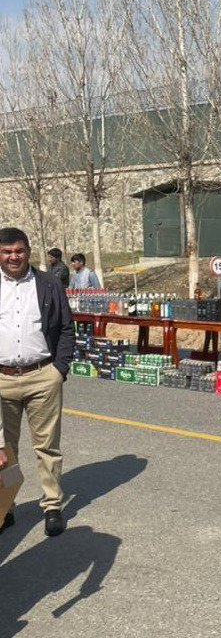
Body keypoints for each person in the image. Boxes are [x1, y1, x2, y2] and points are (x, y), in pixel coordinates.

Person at [0, 227, 75, 537]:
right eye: (6, 252)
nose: (13, 256)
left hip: (43, 375)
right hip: (2, 379)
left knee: (47, 445)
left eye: (18, 250)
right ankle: (6, 506)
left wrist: (58, 370)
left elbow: (67, 328)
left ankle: (52, 504)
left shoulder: (48, 283)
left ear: (28, 251)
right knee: (5, 448)